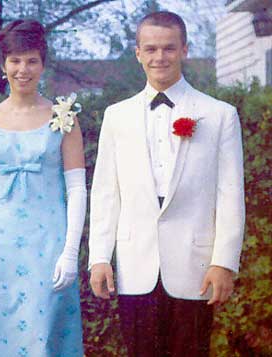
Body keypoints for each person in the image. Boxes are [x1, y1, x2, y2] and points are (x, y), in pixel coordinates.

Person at [88, 11, 245, 357]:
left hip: (195, 264)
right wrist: (99, 257)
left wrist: (224, 262)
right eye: (152, 49)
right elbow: (104, 194)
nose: (160, 57)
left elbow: (231, 194)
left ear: (185, 50)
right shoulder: (117, 116)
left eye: (169, 48)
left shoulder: (218, 115)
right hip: (134, 263)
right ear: (138, 53)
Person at [0, 19, 85, 356]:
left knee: (44, 334)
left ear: (43, 64)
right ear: (3, 65)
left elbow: (77, 188)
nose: (23, 69)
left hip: (48, 242)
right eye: (15, 61)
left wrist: (70, 251)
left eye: (31, 60)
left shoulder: (64, 117)